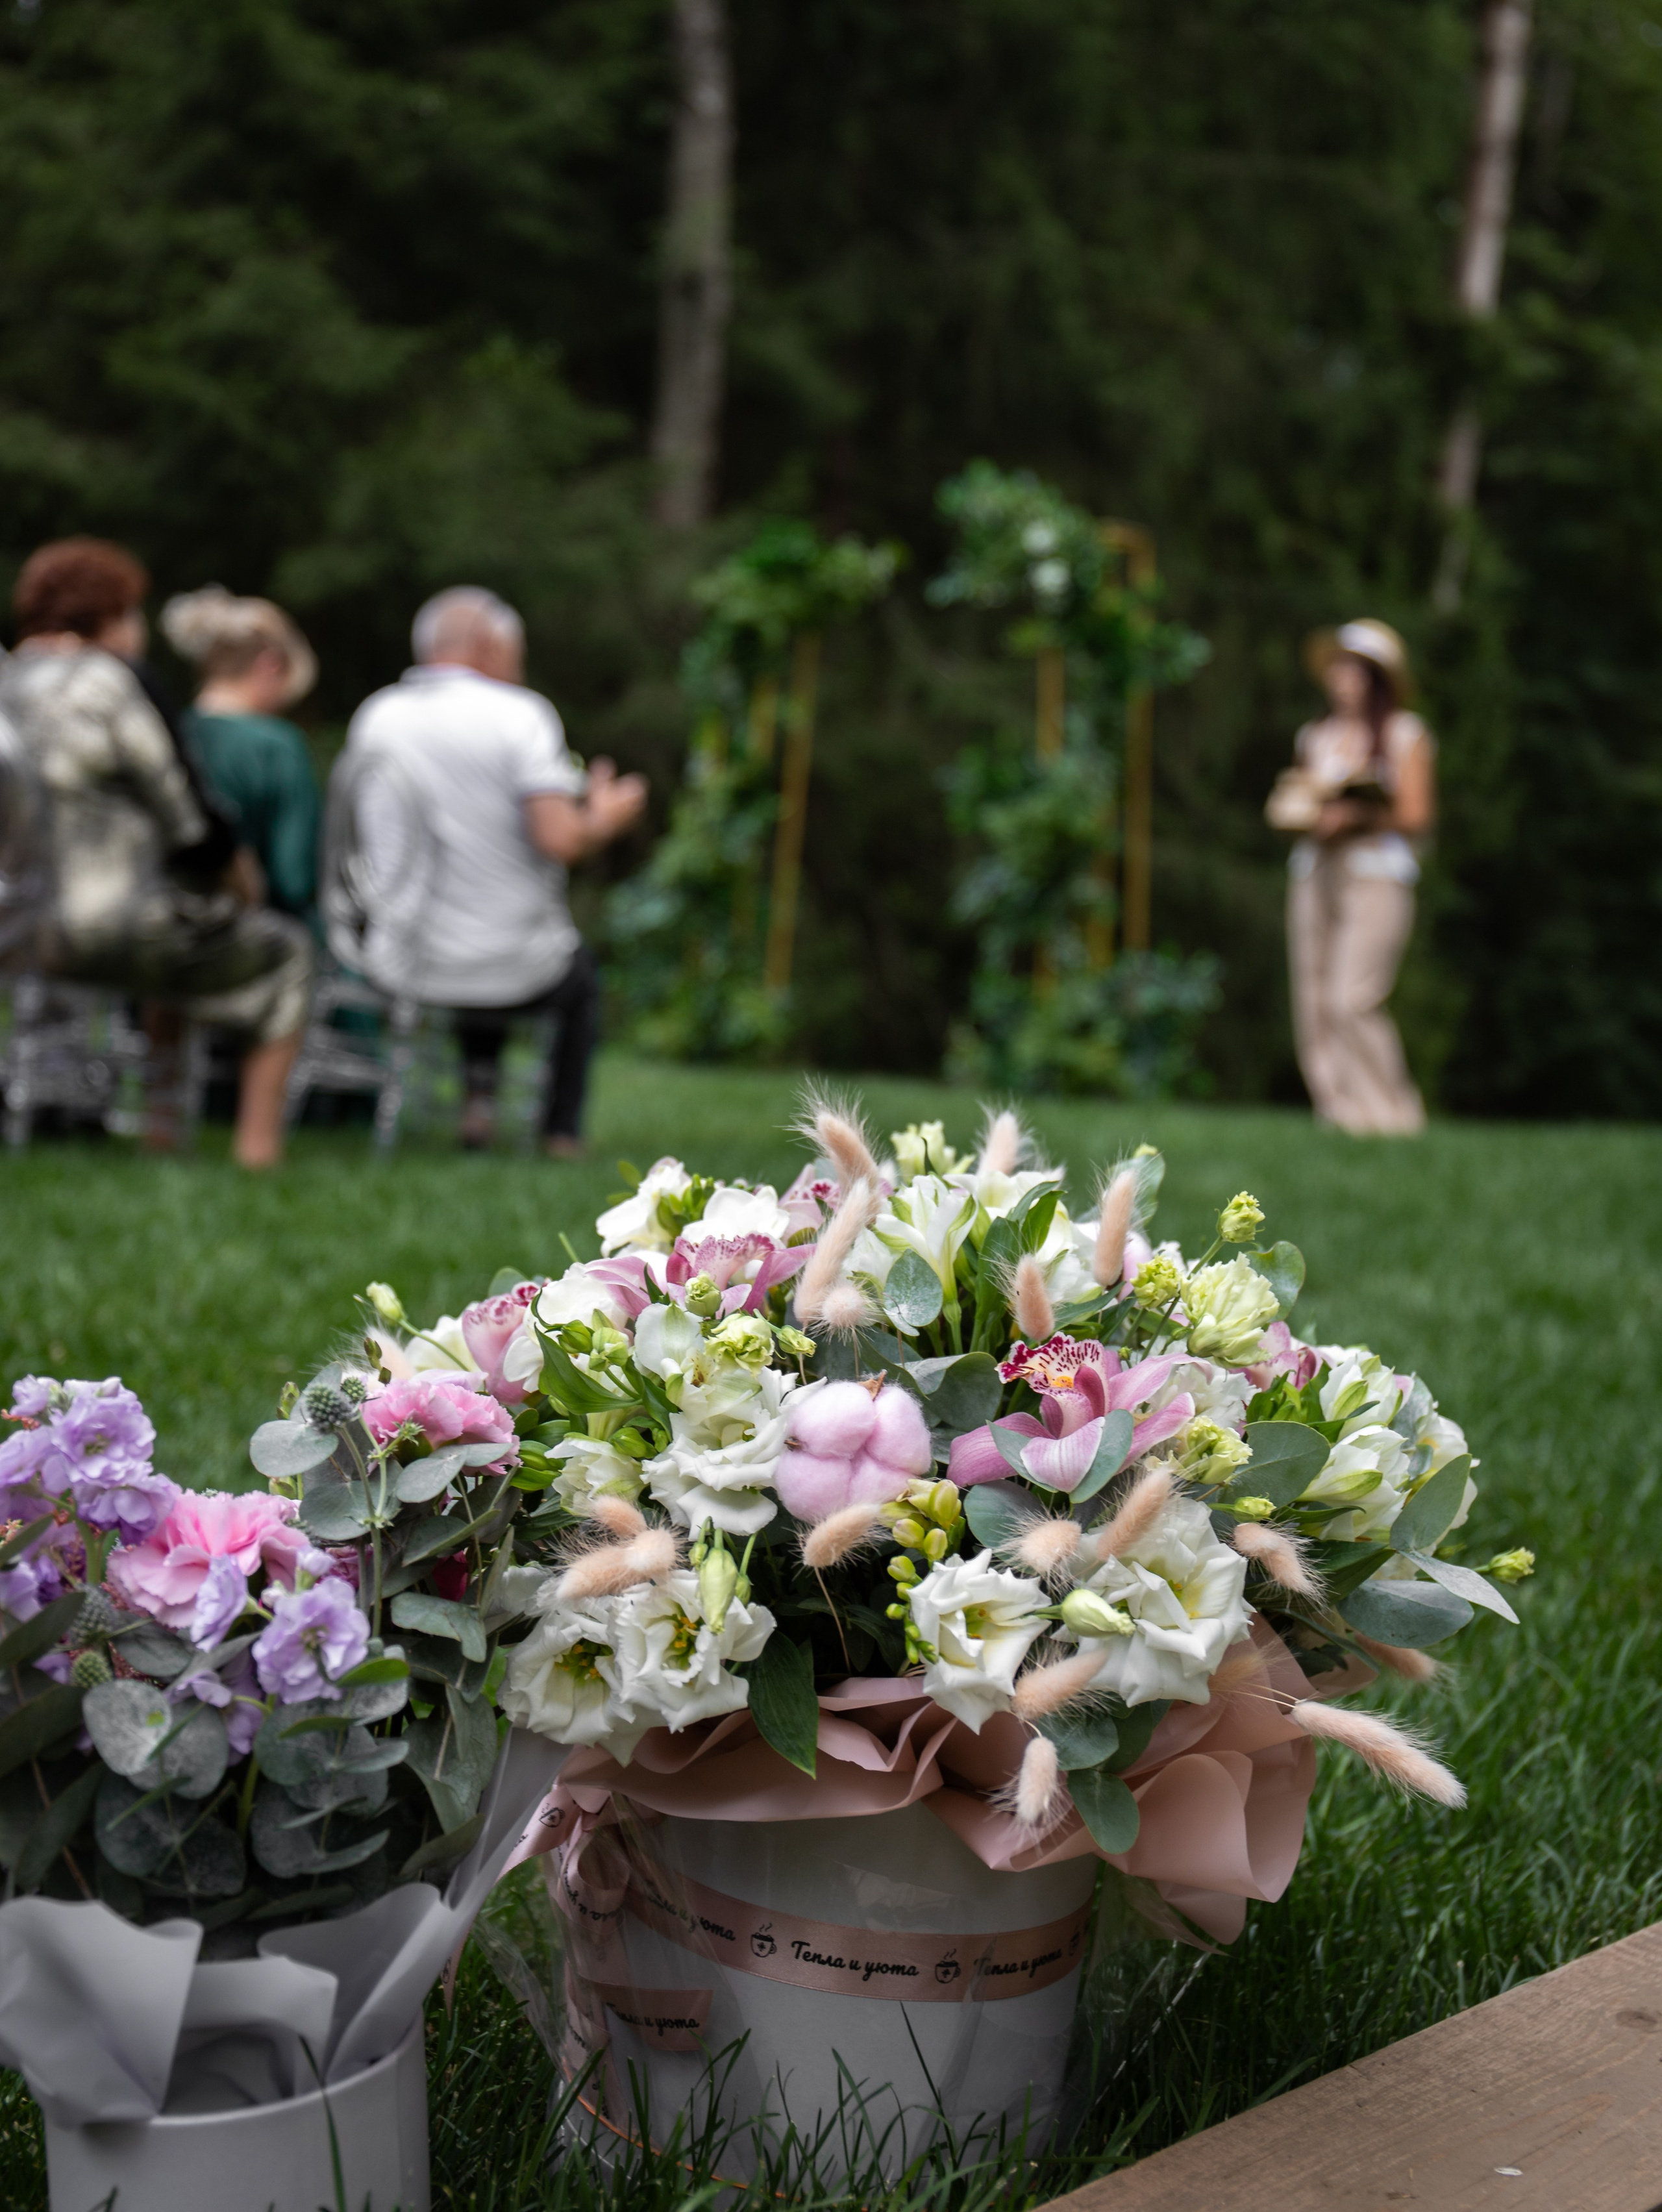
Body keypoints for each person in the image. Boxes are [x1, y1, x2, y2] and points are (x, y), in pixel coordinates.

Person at [0, 538, 312, 1167]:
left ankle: (162, 1128)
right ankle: (255, 1154)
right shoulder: (112, 681)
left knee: (183, 929)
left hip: (14, 927)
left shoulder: (6, 680)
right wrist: (239, 882)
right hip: (106, 927)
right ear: (111, 616)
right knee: (285, 955)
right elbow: (188, 820)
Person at [341, 586, 647, 1156]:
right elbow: (561, 839)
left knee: (480, 930)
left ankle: (477, 1111)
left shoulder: (376, 714)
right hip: (505, 966)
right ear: (489, 646)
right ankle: (561, 1134)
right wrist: (603, 818)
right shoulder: (520, 714)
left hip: (398, 958)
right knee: (570, 971)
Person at [1267, 618, 1434, 1136]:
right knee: (1314, 996)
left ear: (1378, 679)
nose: (1344, 678)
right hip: (1315, 869)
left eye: (1356, 668)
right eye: (1339, 666)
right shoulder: (1315, 736)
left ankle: (1390, 1117)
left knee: (1352, 997)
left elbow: (1417, 814)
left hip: (1374, 871)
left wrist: (1358, 815)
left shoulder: (1405, 734)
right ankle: (1338, 1112)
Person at [162, 586, 323, 930]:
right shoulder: (276, 746)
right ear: (270, 666)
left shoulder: (168, 736)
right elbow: (294, 880)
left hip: (179, 936)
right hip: (261, 941)